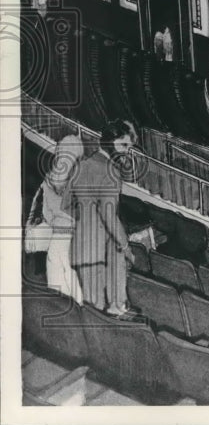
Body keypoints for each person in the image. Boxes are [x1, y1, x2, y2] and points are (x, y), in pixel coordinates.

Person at [68, 119, 137, 316]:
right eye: (123, 145)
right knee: (97, 315)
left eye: (129, 147)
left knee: (90, 310)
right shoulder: (111, 172)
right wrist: (126, 248)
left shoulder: (81, 165)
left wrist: (86, 222)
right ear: (109, 142)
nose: (126, 151)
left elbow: (66, 206)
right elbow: (109, 216)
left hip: (79, 248)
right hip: (97, 253)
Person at [38, 134, 85, 303]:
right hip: (72, 243)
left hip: (56, 240)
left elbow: (46, 214)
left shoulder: (48, 180)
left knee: (56, 294)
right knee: (76, 296)